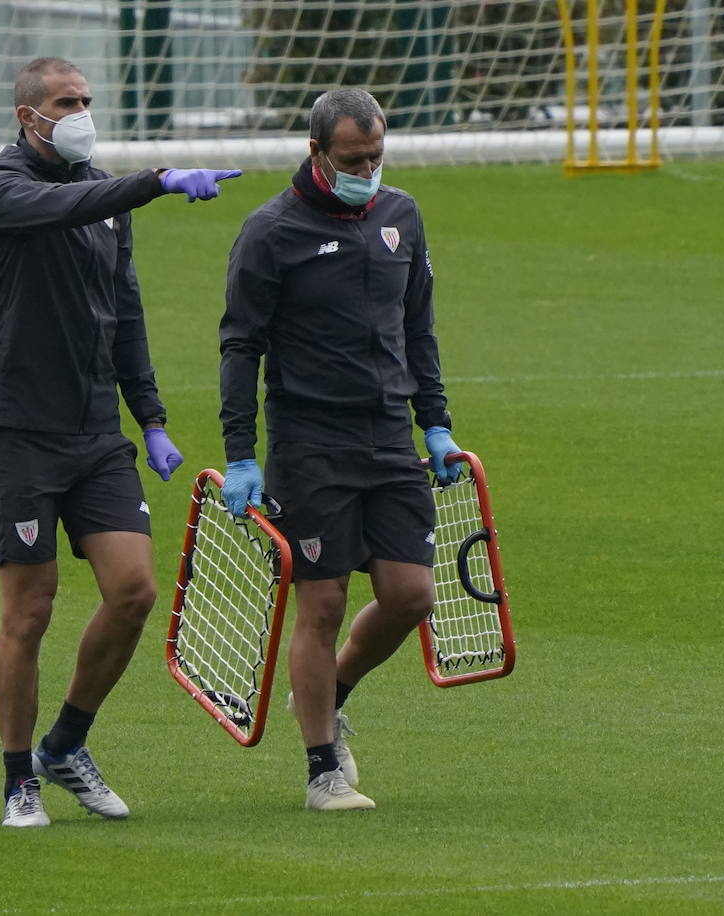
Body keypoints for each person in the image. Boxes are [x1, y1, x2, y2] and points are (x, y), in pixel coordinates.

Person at [0, 57, 242, 828]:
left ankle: (66, 745)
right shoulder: (0, 189)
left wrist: (150, 418)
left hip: (97, 433)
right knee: (30, 609)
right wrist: (157, 180)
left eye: (88, 99)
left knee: (134, 591)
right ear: (30, 116)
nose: (82, 111)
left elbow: (124, 314)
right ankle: (18, 778)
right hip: (20, 432)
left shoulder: (107, 201)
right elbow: (66, 207)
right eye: (66, 102)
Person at [217, 88, 465, 811]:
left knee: (410, 595)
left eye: (377, 156)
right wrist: (242, 453)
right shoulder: (270, 232)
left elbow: (417, 328)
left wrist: (436, 423)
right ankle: (322, 768)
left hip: (388, 436)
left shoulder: (402, 216)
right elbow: (240, 346)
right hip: (311, 443)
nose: (368, 169)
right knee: (321, 605)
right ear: (316, 152)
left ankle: (328, 693)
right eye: (354, 159)